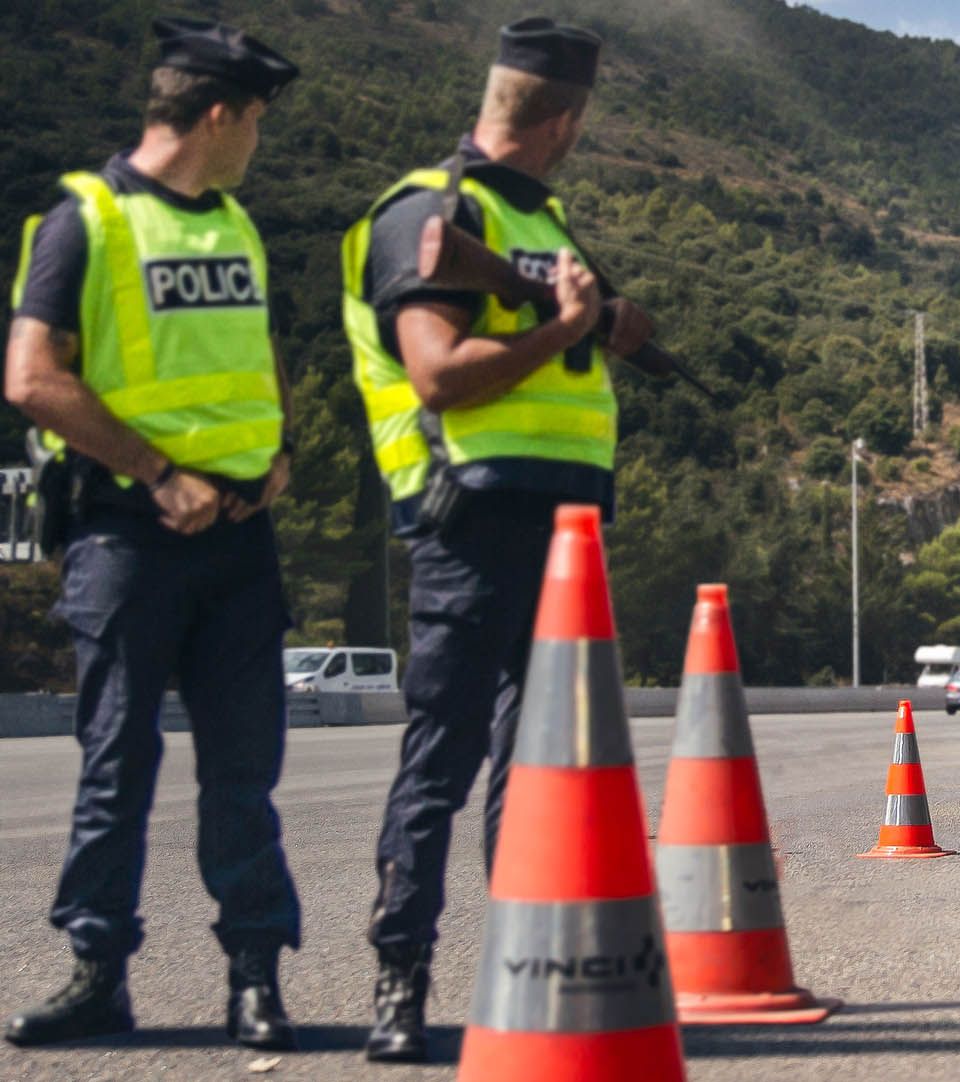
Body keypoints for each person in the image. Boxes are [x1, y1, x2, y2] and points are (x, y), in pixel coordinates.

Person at [339, 16, 651, 1062]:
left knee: (540, 768)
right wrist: (563, 328)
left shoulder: (542, 219)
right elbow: (437, 373)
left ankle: (533, 976)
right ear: (565, 121)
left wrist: (606, 322)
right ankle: (400, 977)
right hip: (473, 515)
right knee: (445, 755)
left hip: (567, 527)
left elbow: (555, 334)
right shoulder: (432, 211)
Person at [2, 17, 302, 1051]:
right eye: (255, 120)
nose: (258, 139)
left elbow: (256, 352)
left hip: (240, 540)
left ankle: (255, 976)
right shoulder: (85, 221)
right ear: (217, 115)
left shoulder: (237, 225)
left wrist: (279, 448)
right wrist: (159, 473)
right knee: (117, 762)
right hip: (130, 535)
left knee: (243, 772)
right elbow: (32, 377)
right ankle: (98, 972)